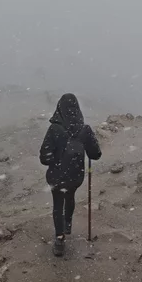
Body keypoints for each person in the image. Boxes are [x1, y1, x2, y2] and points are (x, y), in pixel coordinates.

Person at [39, 93, 102, 256]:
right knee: (70, 196)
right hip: (75, 176)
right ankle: (67, 223)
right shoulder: (85, 129)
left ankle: (60, 239)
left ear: (60, 109)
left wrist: (55, 158)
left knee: (57, 204)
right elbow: (95, 154)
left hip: (57, 177)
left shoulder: (54, 129)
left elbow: (44, 158)